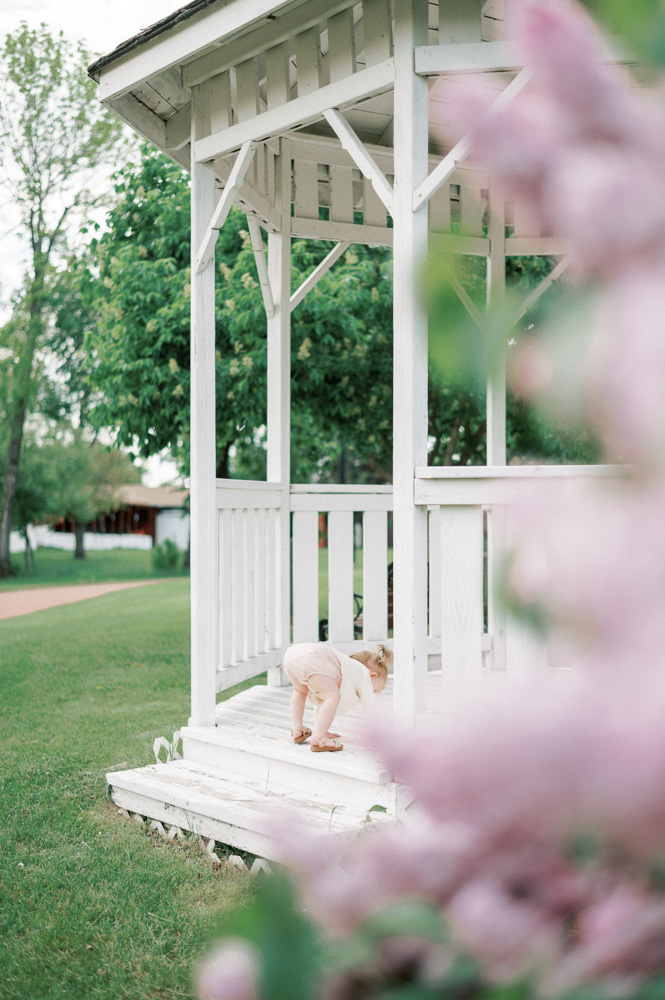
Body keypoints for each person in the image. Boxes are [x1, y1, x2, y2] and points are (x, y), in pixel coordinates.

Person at [283, 642, 392, 752]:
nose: (370, 692)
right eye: (374, 690)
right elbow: (370, 705)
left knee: (299, 692)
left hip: (291, 654)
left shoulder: (346, 668)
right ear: (372, 675)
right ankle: (319, 739)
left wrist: (321, 729)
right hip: (314, 657)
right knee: (332, 697)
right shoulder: (364, 674)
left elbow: (320, 702)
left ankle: (297, 729)